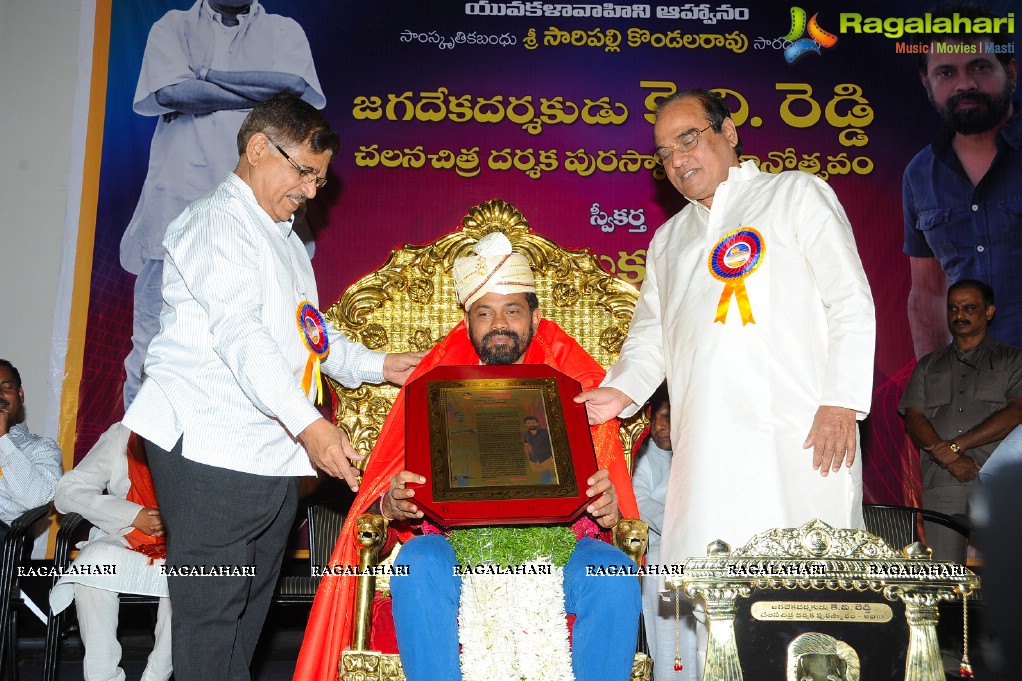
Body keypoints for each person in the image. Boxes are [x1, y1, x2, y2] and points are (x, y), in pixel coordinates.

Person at [121, 93, 423, 681]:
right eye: (305, 172)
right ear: (259, 149)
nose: (313, 191)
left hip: (268, 453)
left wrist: (379, 364)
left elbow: (307, 335)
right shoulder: (216, 222)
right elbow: (243, 336)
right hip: (211, 450)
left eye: (319, 179)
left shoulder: (281, 235)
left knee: (247, 620)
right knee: (210, 622)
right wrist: (311, 426)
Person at [575, 89, 875, 667]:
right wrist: (621, 390)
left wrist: (841, 401)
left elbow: (851, 302)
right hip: (707, 458)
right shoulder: (670, 239)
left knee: (808, 607)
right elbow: (649, 339)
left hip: (799, 443)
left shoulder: (795, 194)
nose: (679, 159)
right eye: (664, 153)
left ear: (729, 131)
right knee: (716, 616)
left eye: (689, 138)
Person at [295, 232, 641, 681]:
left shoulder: (575, 396)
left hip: (559, 551)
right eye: (484, 312)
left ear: (535, 317)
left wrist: (608, 510)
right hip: (455, 551)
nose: (499, 323)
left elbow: (606, 505)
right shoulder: (434, 395)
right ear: (468, 322)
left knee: (611, 570)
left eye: (512, 309)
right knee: (418, 561)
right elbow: (390, 494)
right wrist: (391, 503)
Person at [120, 0, 325, 407]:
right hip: (175, 208)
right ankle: (134, 466)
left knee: (273, 336)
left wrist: (207, 77)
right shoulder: (173, 26)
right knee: (152, 344)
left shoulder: (284, 31)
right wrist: (260, 95)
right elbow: (173, 91)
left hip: (263, 216)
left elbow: (293, 89)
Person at [903, 1, 1021, 358]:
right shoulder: (919, 175)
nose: (965, 84)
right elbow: (928, 294)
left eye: (980, 67)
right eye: (946, 73)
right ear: (927, 82)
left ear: (1011, 72)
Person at [899, 279, 1022, 563]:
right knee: (945, 574)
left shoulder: (1013, 360)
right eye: (953, 308)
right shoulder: (929, 364)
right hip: (943, 483)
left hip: (998, 480)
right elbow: (913, 417)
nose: (959, 315)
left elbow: (1016, 412)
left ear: (989, 312)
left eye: (969, 308)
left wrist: (956, 447)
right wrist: (951, 460)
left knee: (1007, 570)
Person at [50, 422, 171, 681]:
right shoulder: (124, 434)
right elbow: (67, 491)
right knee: (91, 570)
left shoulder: (208, 430)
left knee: (192, 575)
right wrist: (132, 515)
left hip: (188, 541)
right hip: (126, 535)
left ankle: (157, 677)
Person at [632, 383, 694, 681]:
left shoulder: (694, 453)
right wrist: (675, 523)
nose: (659, 426)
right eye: (655, 417)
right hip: (658, 547)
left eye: (668, 417)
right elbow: (639, 500)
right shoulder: (644, 455)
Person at [0, 359, 62, 541]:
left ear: (20, 394)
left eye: (6, 386)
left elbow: (35, 499)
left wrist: (2, 439)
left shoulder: (41, 448)